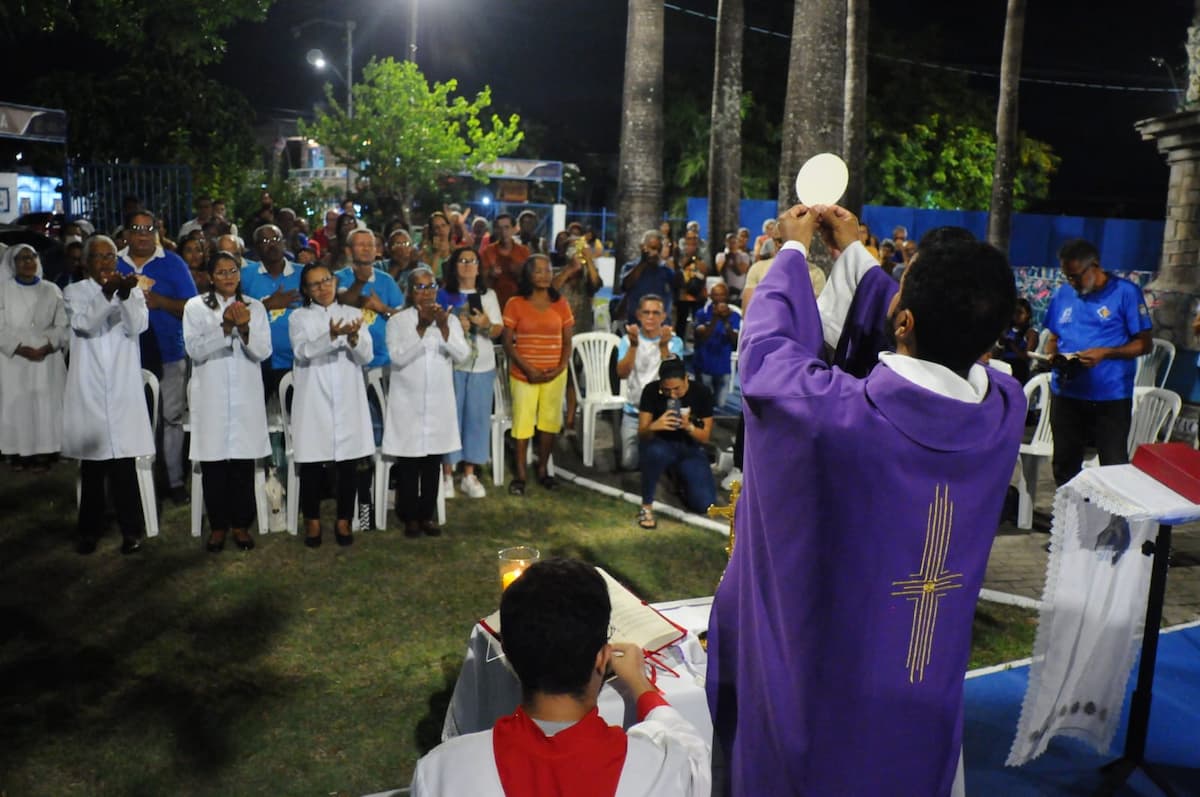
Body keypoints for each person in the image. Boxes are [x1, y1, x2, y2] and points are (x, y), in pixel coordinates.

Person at [707, 203, 1026, 797]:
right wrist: (856, 253)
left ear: (902, 321)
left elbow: (767, 359)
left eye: (898, 282)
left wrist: (794, 254)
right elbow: (943, 324)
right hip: (924, 687)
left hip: (830, 703)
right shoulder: (1006, 410)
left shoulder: (841, 417)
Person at [411, 557, 711, 796]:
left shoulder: (441, 771)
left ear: (508, 653)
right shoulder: (663, 767)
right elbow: (691, 749)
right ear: (601, 658)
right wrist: (641, 685)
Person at [62, 235, 155, 555]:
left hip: (121, 386)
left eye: (111, 256)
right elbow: (85, 324)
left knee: (123, 465)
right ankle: (89, 531)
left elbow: (137, 325)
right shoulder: (74, 292)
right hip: (89, 388)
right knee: (93, 467)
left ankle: (132, 531)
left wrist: (126, 295)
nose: (105, 262)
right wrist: (107, 293)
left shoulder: (131, 291)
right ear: (86, 262)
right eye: (98, 257)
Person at [183, 251, 272, 553]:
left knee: (243, 463)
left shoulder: (255, 307)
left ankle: (241, 525)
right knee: (214, 463)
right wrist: (223, 328)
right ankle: (218, 525)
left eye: (232, 270)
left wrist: (244, 328)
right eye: (220, 272)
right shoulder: (195, 307)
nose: (228, 277)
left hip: (245, 394)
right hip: (212, 394)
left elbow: (263, 351)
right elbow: (195, 350)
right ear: (210, 277)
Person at [1044, 238, 1152, 486]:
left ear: (1094, 266)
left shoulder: (1125, 292)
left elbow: (1145, 344)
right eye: (1067, 276)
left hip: (1109, 396)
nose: (1071, 282)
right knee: (1064, 464)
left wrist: (1106, 353)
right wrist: (1052, 355)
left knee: (1113, 466)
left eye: (1075, 276)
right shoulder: (1063, 294)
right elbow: (1054, 336)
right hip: (1067, 392)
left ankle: (1114, 524)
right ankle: (1070, 521)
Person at [289, 262, 374, 548]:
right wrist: (332, 336)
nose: (323, 288)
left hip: (347, 395)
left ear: (335, 282)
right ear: (306, 290)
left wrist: (352, 339)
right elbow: (303, 351)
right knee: (312, 461)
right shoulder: (299, 317)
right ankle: (311, 519)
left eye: (326, 280)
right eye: (315, 284)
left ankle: (344, 519)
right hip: (314, 395)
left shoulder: (352, 314)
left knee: (348, 461)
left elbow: (367, 355)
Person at [116, 209, 197, 503]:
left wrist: (162, 302)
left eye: (149, 228)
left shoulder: (172, 263)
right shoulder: (114, 262)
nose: (142, 233)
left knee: (170, 418)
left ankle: (173, 480)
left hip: (168, 352)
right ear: (126, 233)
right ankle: (135, 483)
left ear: (157, 232)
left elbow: (193, 306)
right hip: (124, 356)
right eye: (136, 227)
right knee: (129, 419)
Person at [383, 267, 469, 536]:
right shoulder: (397, 321)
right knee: (409, 462)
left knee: (433, 461)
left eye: (431, 286)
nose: (427, 292)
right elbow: (398, 357)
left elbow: (462, 355)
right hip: (407, 401)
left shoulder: (449, 320)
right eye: (420, 287)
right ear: (410, 291)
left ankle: (427, 514)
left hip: (438, 403)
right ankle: (409, 515)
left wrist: (443, 328)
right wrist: (421, 328)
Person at [502, 254, 574, 495]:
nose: (545, 275)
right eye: (539, 271)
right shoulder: (515, 303)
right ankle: (521, 475)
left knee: (549, 424)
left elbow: (567, 340)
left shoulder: (561, 302)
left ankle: (543, 470)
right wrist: (528, 369)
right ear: (528, 275)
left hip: (554, 374)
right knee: (522, 425)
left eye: (548, 270)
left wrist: (561, 366)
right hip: (524, 374)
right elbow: (508, 343)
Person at [437, 248, 504, 499]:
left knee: (476, 418)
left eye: (472, 261)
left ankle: (469, 473)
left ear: (479, 267)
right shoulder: (444, 295)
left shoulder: (488, 295)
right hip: (451, 366)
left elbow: (498, 330)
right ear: (454, 266)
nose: (467, 266)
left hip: (482, 365)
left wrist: (485, 324)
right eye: (462, 261)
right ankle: (446, 473)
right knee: (450, 417)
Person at [0, 244, 68, 471]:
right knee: (18, 405)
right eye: (22, 259)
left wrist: (49, 346)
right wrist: (19, 348)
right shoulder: (3, 290)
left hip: (46, 357)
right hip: (14, 360)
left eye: (32, 257)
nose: (28, 262)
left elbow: (63, 323)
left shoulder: (52, 290)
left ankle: (48, 450)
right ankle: (20, 453)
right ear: (13, 263)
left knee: (47, 404)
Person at [636, 358, 716, 529]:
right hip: (661, 444)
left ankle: (678, 476)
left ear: (686, 379)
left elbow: (705, 437)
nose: (672, 395)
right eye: (666, 390)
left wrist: (689, 427)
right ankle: (646, 506)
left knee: (704, 504)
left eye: (677, 390)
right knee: (654, 453)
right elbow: (642, 434)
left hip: (689, 447)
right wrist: (654, 426)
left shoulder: (701, 392)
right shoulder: (651, 391)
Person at [615, 294, 683, 471]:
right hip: (633, 413)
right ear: (638, 315)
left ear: (663, 316)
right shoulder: (627, 340)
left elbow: (674, 379)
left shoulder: (674, 342)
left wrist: (663, 348)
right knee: (628, 464)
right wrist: (634, 345)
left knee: (661, 464)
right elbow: (622, 374)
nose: (651, 317)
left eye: (655, 313)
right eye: (646, 312)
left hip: (661, 413)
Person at [241, 224, 303, 399]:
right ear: (256, 248)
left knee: (295, 419)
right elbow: (236, 312)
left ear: (284, 242)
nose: (272, 244)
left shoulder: (302, 273)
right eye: (265, 241)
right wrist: (266, 305)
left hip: (295, 361)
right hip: (257, 361)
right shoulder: (244, 276)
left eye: (276, 239)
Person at [553, 238, 604, 428]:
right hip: (557, 335)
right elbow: (551, 289)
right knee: (558, 376)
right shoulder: (559, 273)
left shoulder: (586, 276)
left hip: (581, 331)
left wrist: (589, 261)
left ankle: (570, 420)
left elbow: (596, 284)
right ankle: (554, 417)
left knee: (573, 378)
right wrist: (569, 270)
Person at [336, 228, 403, 371]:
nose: (366, 248)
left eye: (370, 245)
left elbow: (404, 318)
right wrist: (360, 283)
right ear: (348, 251)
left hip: (383, 362)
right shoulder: (338, 277)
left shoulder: (387, 280)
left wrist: (383, 308)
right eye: (361, 244)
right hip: (348, 363)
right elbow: (344, 300)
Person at [691, 282, 739, 409]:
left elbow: (735, 340)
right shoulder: (701, 313)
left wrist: (725, 321)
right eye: (716, 295)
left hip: (723, 367)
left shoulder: (734, 316)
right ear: (710, 296)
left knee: (720, 404)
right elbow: (702, 336)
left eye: (722, 295)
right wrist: (715, 319)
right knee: (703, 404)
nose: (719, 298)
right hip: (704, 365)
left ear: (727, 296)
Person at [615, 231, 674, 326]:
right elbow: (625, 286)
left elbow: (678, 289)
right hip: (635, 324)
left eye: (657, 250)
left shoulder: (666, 271)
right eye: (651, 248)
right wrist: (643, 262)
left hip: (661, 327)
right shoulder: (630, 267)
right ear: (642, 247)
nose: (654, 253)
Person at [481, 213, 530, 310]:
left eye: (507, 227)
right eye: (499, 228)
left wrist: (519, 273)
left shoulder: (524, 251)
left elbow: (530, 279)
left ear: (514, 229)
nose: (503, 231)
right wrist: (490, 274)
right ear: (495, 230)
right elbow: (481, 280)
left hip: (518, 302)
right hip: (494, 302)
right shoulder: (488, 251)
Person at [995, 297, 1039, 384]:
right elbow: (996, 355)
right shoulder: (1006, 330)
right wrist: (1000, 343)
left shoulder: (1031, 333)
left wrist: (1011, 344)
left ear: (1028, 314)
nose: (1016, 316)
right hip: (1003, 366)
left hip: (1019, 370)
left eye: (1020, 313)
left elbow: (1026, 358)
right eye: (1014, 312)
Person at [420, 211, 454, 278]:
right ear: (432, 231)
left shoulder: (456, 250)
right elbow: (429, 278)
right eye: (436, 227)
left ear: (449, 227)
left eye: (443, 225)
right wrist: (437, 254)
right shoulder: (425, 252)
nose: (441, 229)